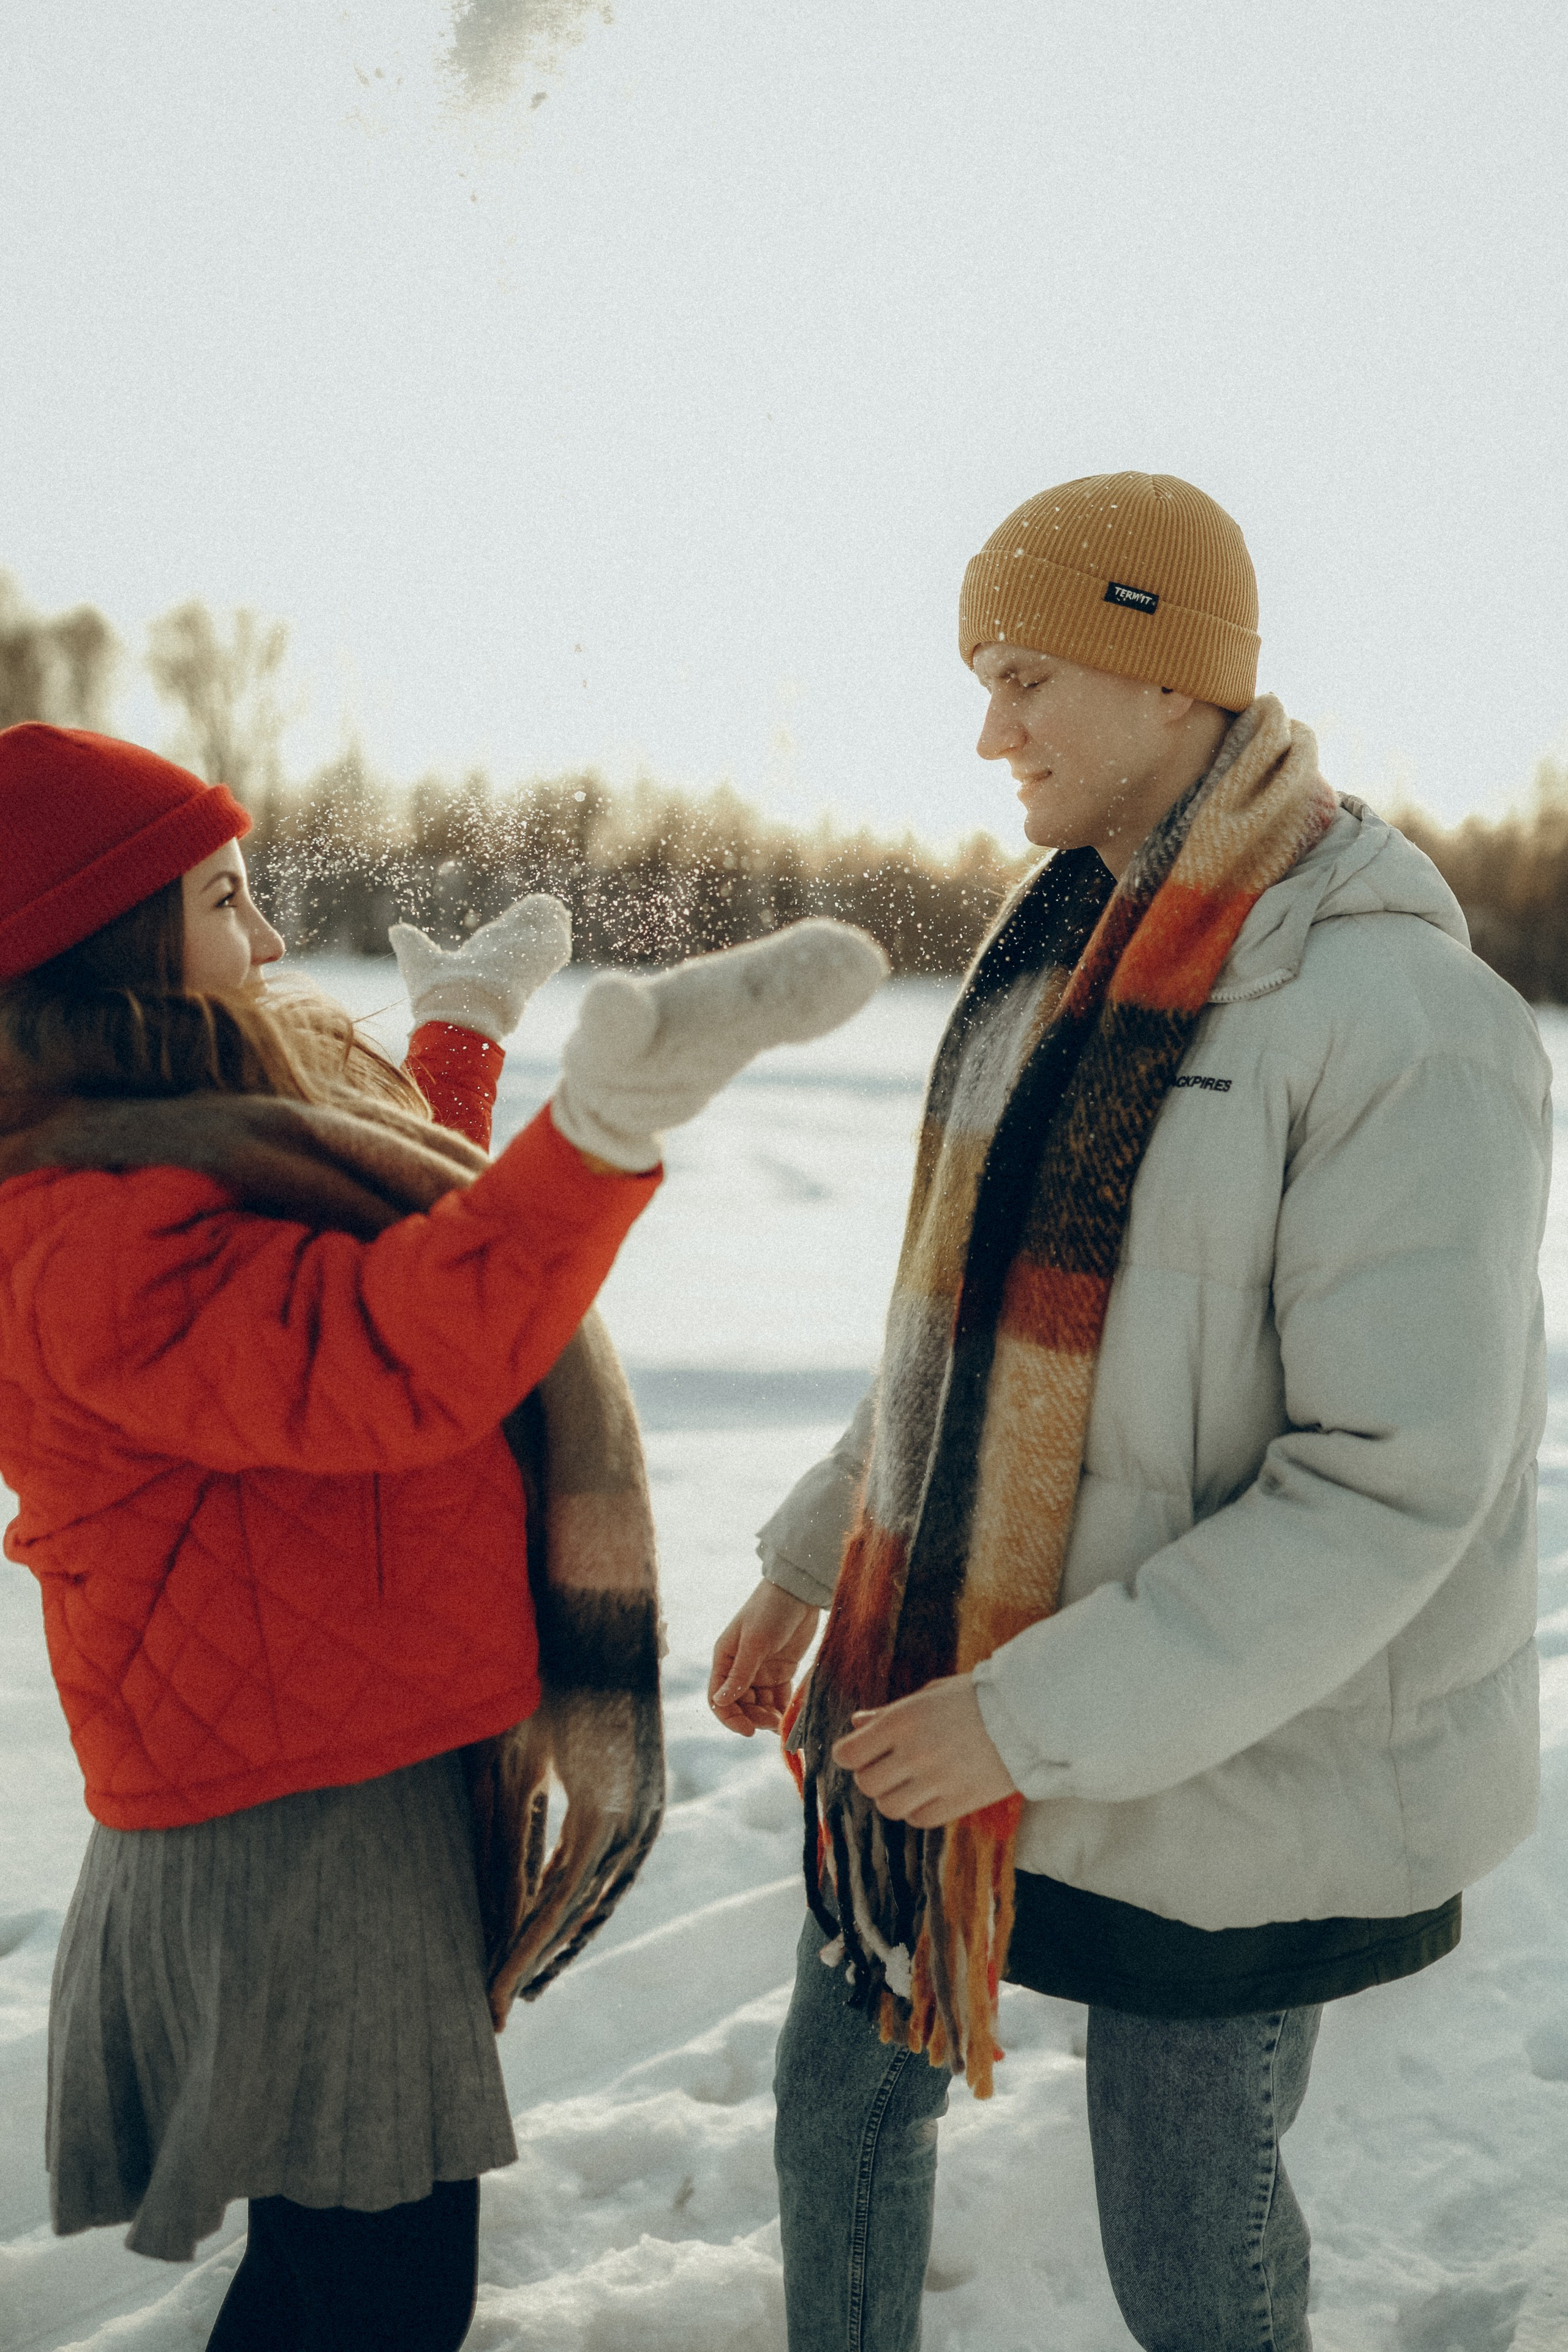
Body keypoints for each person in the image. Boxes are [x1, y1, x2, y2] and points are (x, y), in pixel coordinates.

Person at [709, 472, 1551, 2351]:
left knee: (1184, 2213)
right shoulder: (1048, 965)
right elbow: (957, 1335)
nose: (989, 730)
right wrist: (806, 1557)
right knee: (840, 2092)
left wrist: (1025, 1720)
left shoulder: (1403, 1019)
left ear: (1174, 682)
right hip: (955, 1671)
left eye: (1027, 677)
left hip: (1253, 1766)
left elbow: (1391, 1488)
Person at [0, 721, 886, 2351]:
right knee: (372, 2287)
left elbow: (388, 1209)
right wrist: (605, 1131)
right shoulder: (85, 1234)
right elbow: (390, 1348)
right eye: (225, 898)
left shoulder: (171, 1130)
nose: (268, 942)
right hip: (288, 1814)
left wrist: (460, 1048)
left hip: (331, 1760)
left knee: (364, 2270)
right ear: (115, 938)